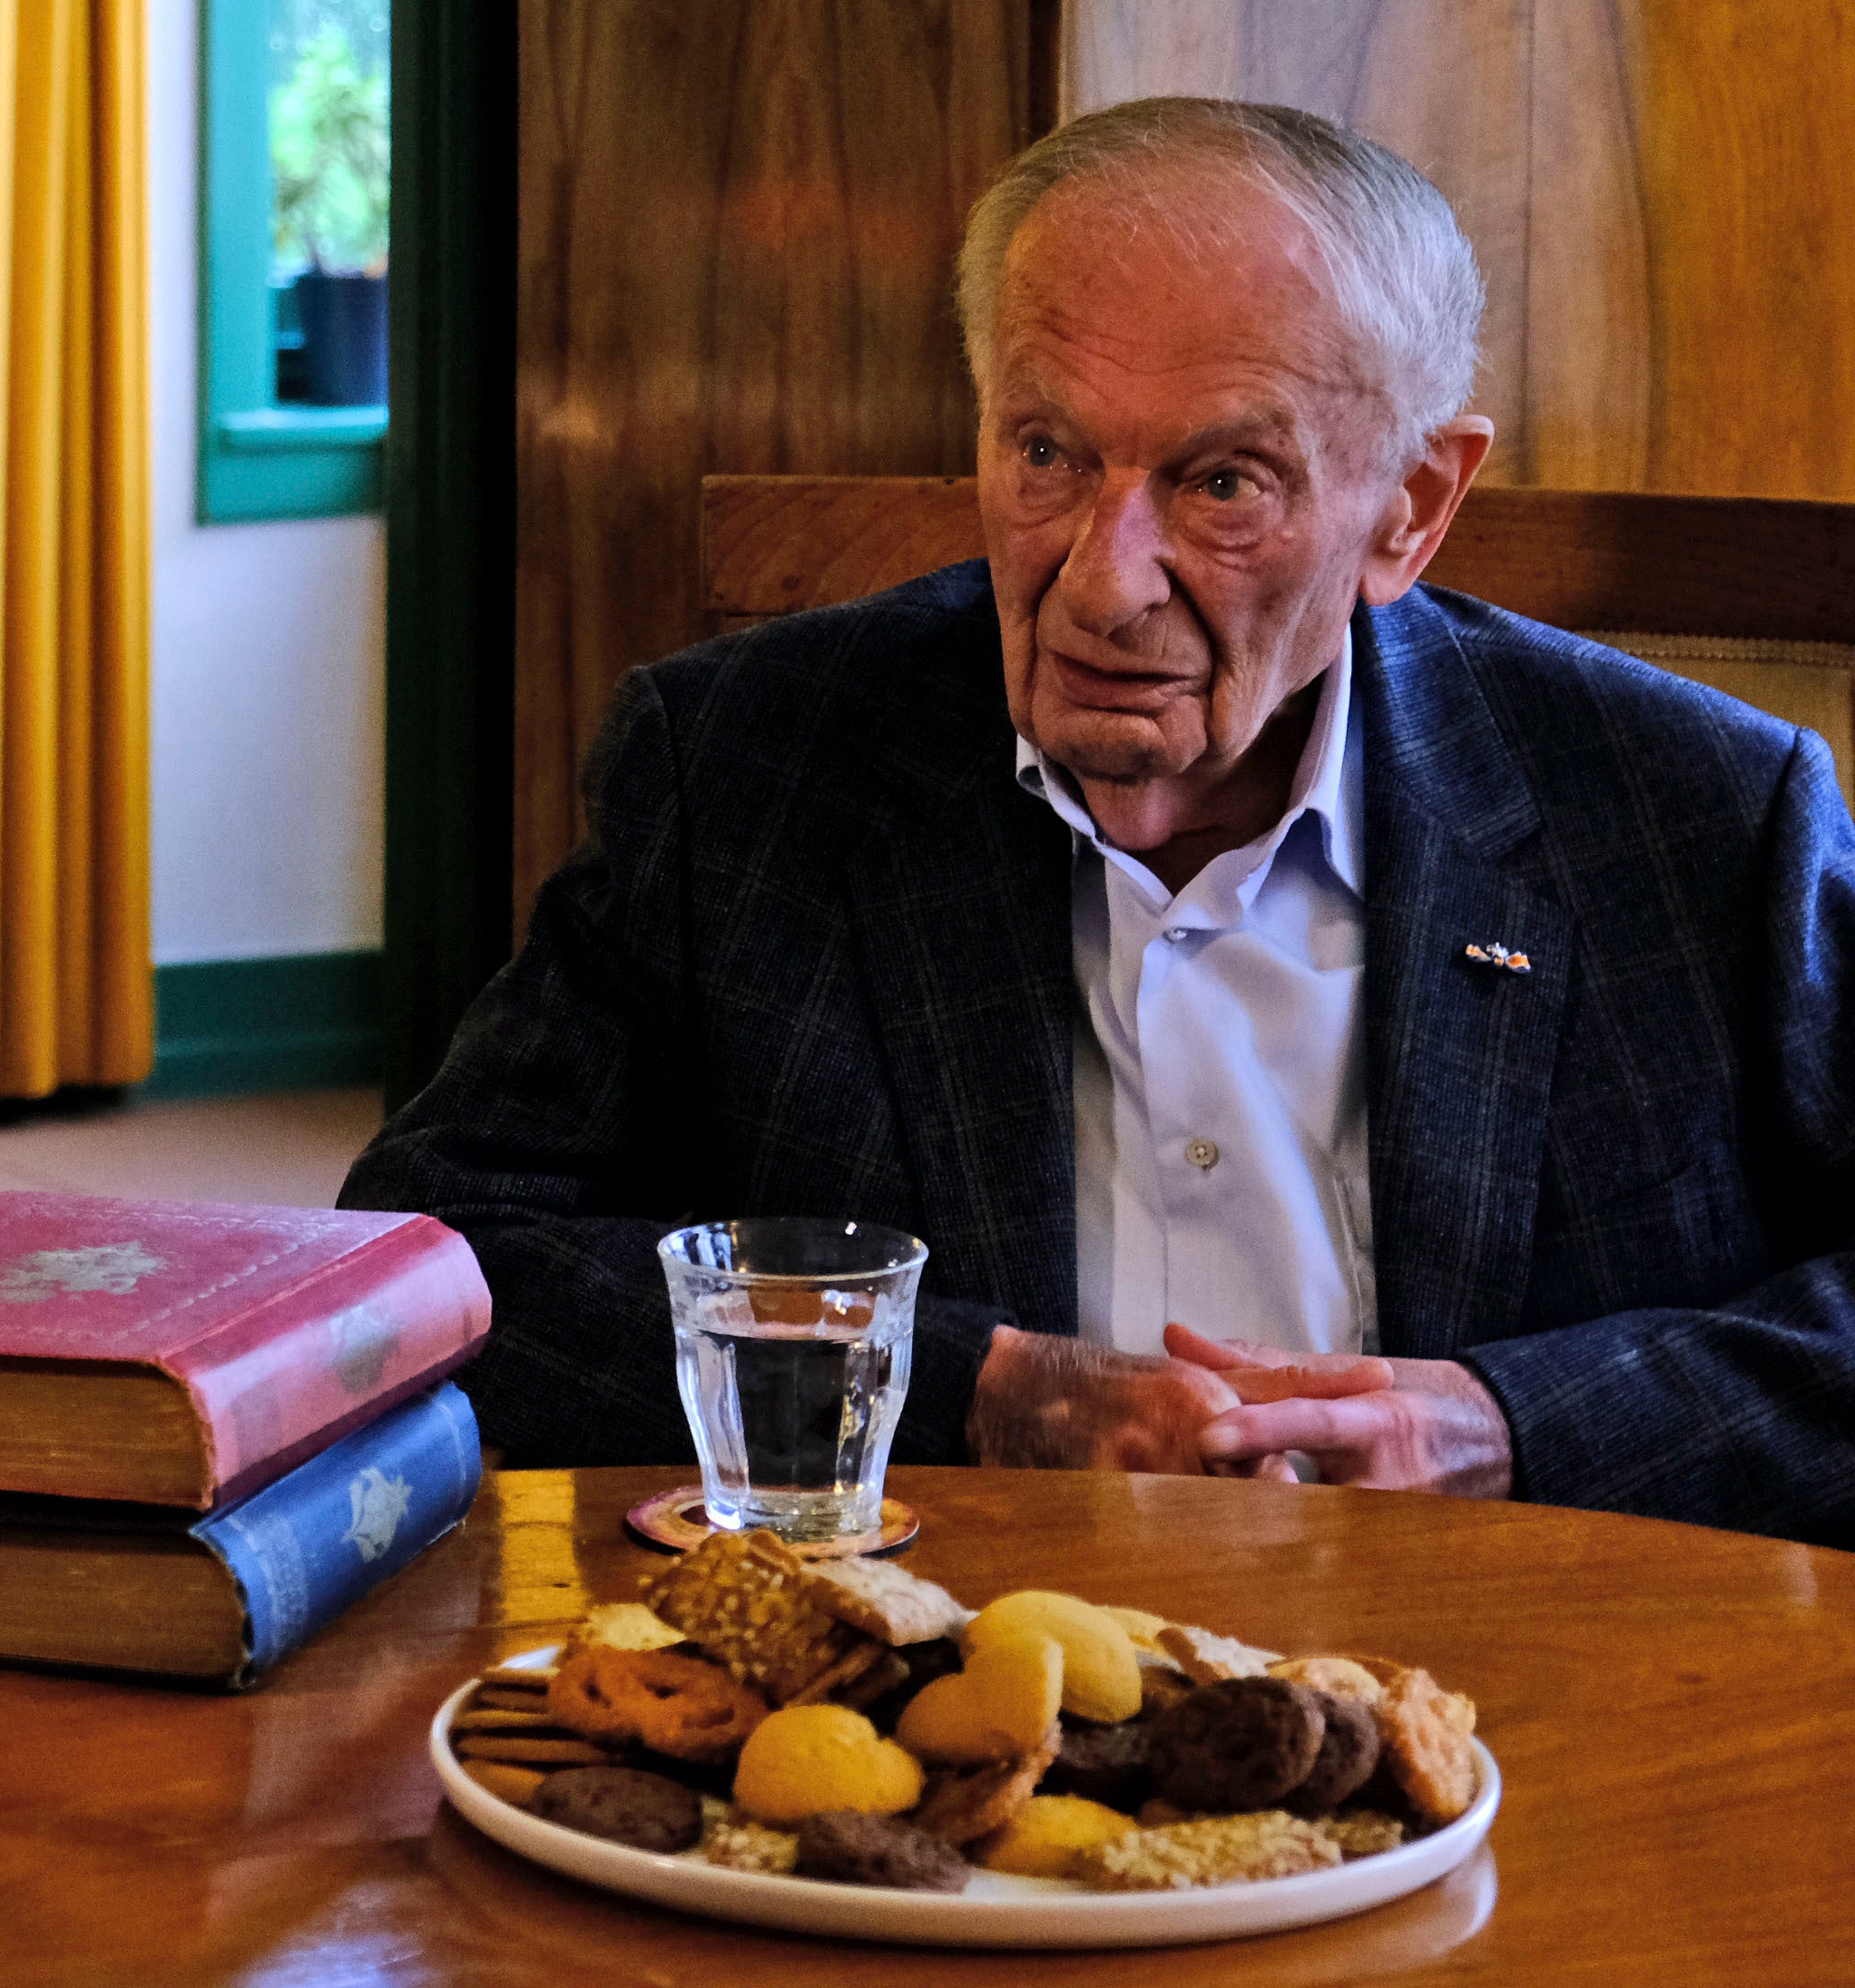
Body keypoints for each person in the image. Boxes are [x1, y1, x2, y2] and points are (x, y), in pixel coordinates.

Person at [343, 96, 1855, 1547]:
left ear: (1410, 507)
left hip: (1520, 1694)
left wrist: (1511, 1428)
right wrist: (971, 1394)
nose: (1103, 579)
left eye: (1220, 484)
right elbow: (423, 1270)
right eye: (1048, 454)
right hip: (951, 1680)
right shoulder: (744, 768)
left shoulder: (1697, 814)